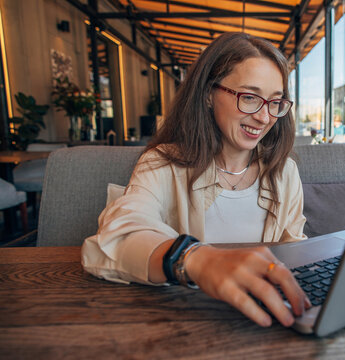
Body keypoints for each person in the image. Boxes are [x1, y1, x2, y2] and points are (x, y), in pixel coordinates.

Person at [82, 32, 310, 329]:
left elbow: (295, 254)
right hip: (183, 323)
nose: (264, 117)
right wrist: (198, 259)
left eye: (275, 102)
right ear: (207, 94)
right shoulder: (163, 163)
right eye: (250, 98)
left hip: (268, 323)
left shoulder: (284, 172)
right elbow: (115, 237)